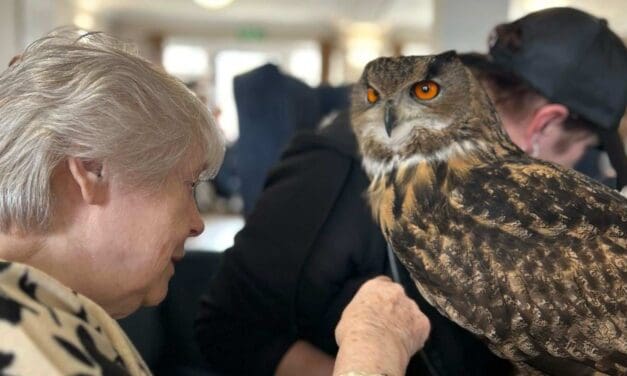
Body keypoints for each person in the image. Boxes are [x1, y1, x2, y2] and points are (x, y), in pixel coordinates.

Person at [195, 7, 627, 376]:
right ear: (545, 124)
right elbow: (229, 328)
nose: (574, 168)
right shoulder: (335, 167)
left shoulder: (529, 203)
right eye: (582, 148)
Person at [0, 29, 425, 376]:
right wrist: (372, 355)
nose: (197, 223)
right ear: (91, 170)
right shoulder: (16, 329)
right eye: (187, 185)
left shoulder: (50, 304)